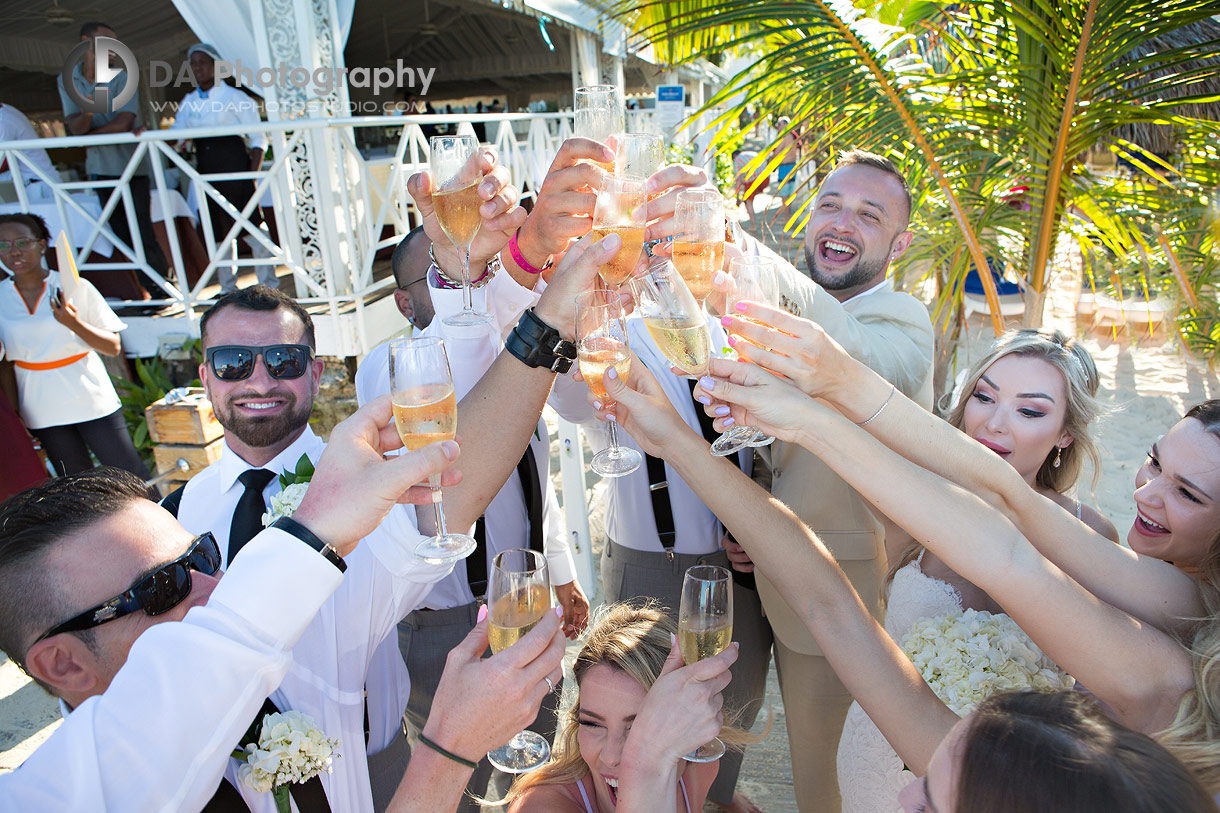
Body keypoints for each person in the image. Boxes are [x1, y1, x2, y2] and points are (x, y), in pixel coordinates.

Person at [584, 351, 1218, 811]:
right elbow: (831, 604)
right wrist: (677, 442)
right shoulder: (993, 763)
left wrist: (822, 406)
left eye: (929, 806)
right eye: (1156, 461)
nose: (907, 790)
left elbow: (1008, 538)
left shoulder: (1154, 693)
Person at [0, 397, 566, 812]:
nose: (216, 587)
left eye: (203, 555)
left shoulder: (290, 665)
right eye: (162, 588)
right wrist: (449, 746)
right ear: (63, 664)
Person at [667, 149, 933, 812]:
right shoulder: (768, 315)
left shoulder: (903, 322)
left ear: (899, 244)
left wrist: (737, 244)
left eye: (868, 215)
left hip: (847, 598)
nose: (842, 223)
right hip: (772, 590)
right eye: (830, 206)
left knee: (830, 784)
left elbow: (847, 355)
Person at [356, 143, 599, 809]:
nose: (484, 285)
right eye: (431, 279)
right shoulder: (385, 370)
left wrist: (562, 570)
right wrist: (465, 268)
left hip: (524, 593)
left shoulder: (507, 350)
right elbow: (463, 405)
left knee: (537, 749)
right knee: (453, 769)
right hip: (443, 613)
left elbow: (533, 479)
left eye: (487, 274)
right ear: (408, 302)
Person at [835, 328, 1116, 812]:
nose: (994, 423)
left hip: (1005, 782)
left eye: (1029, 410)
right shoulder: (912, 494)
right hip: (880, 758)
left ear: (1066, 432)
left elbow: (1105, 685)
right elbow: (842, 421)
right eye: (983, 397)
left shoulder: (1094, 539)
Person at [505, 603, 741, 813]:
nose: (610, 756)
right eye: (593, 724)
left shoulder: (698, 771)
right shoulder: (540, 806)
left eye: (638, 727)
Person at [0, 213, 149, 480]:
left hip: (89, 396)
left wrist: (73, 322)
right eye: (4, 245)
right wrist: (16, 416)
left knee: (130, 473)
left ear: (42, 245)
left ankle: (166, 519)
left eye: (22, 242)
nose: (14, 252)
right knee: (77, 483)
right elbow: (5, 366)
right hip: (39, 404)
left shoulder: (75, 286)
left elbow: (112, 346)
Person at [58, 21, 167, 289]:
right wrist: (86, 114)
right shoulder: (67, 80)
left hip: (132, 168)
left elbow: (123, 124)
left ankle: (162, 288)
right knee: (120, 235)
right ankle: (146, 291)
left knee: (142, 232)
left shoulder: (123, 76)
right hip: (99, 169)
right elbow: (76, 126)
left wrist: (83, 137)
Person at [171, 43, 279, 292]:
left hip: (235, 166)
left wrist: (251, 174)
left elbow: (258, 138)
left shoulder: (235, 97)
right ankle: (227, 288)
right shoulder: (189, 101)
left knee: (253, 227)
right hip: (206, 170)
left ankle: (269, 284)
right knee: (218, 232)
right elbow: (177, 135)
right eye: (194, 63)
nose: (198, 68)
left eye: (203, 62)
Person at [0, 103, 56, 198]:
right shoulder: (7, 111)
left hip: (40, 186)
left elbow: (1, 162)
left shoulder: (3, 121)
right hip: (38, 182)